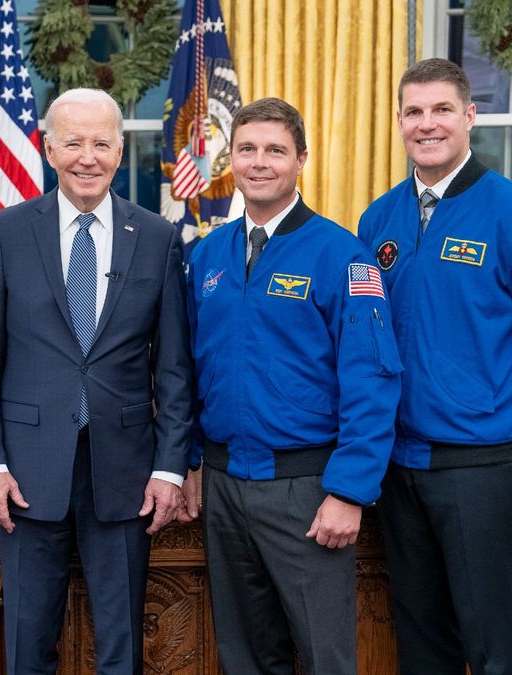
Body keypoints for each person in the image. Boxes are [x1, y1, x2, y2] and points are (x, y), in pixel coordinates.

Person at [357, 58, 512, 674]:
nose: (427, 124)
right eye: (414, 111)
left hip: (482, 463)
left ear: (469, 116)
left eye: (442, 109)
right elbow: (368, 335)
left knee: (490, 643)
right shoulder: (377, 220)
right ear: (400, 121)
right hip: (398, 465)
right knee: (419, 641)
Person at [0, 87, 192, 674]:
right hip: (25, 475)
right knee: (26, 644)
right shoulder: (7, 232)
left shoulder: (159, 238)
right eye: (73, 142)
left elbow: (172, 369)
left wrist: (169, 468)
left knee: (122, 649)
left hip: (126, 473)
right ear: (47, 148)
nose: (87, 157)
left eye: (100, 143)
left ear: (119, 150)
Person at [180, 97, 401, 674]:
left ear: (301, 160)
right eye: (247, 149)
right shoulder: (207, 256)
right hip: (225, 486)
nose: (259, 162)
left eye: (275, 150)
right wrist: (192, 461)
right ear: (230, 158)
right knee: (245, 657)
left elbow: (372, 378)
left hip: (306, 489)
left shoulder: (342, 256)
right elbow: (188, 368)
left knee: (325, 657)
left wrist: (350, 490)